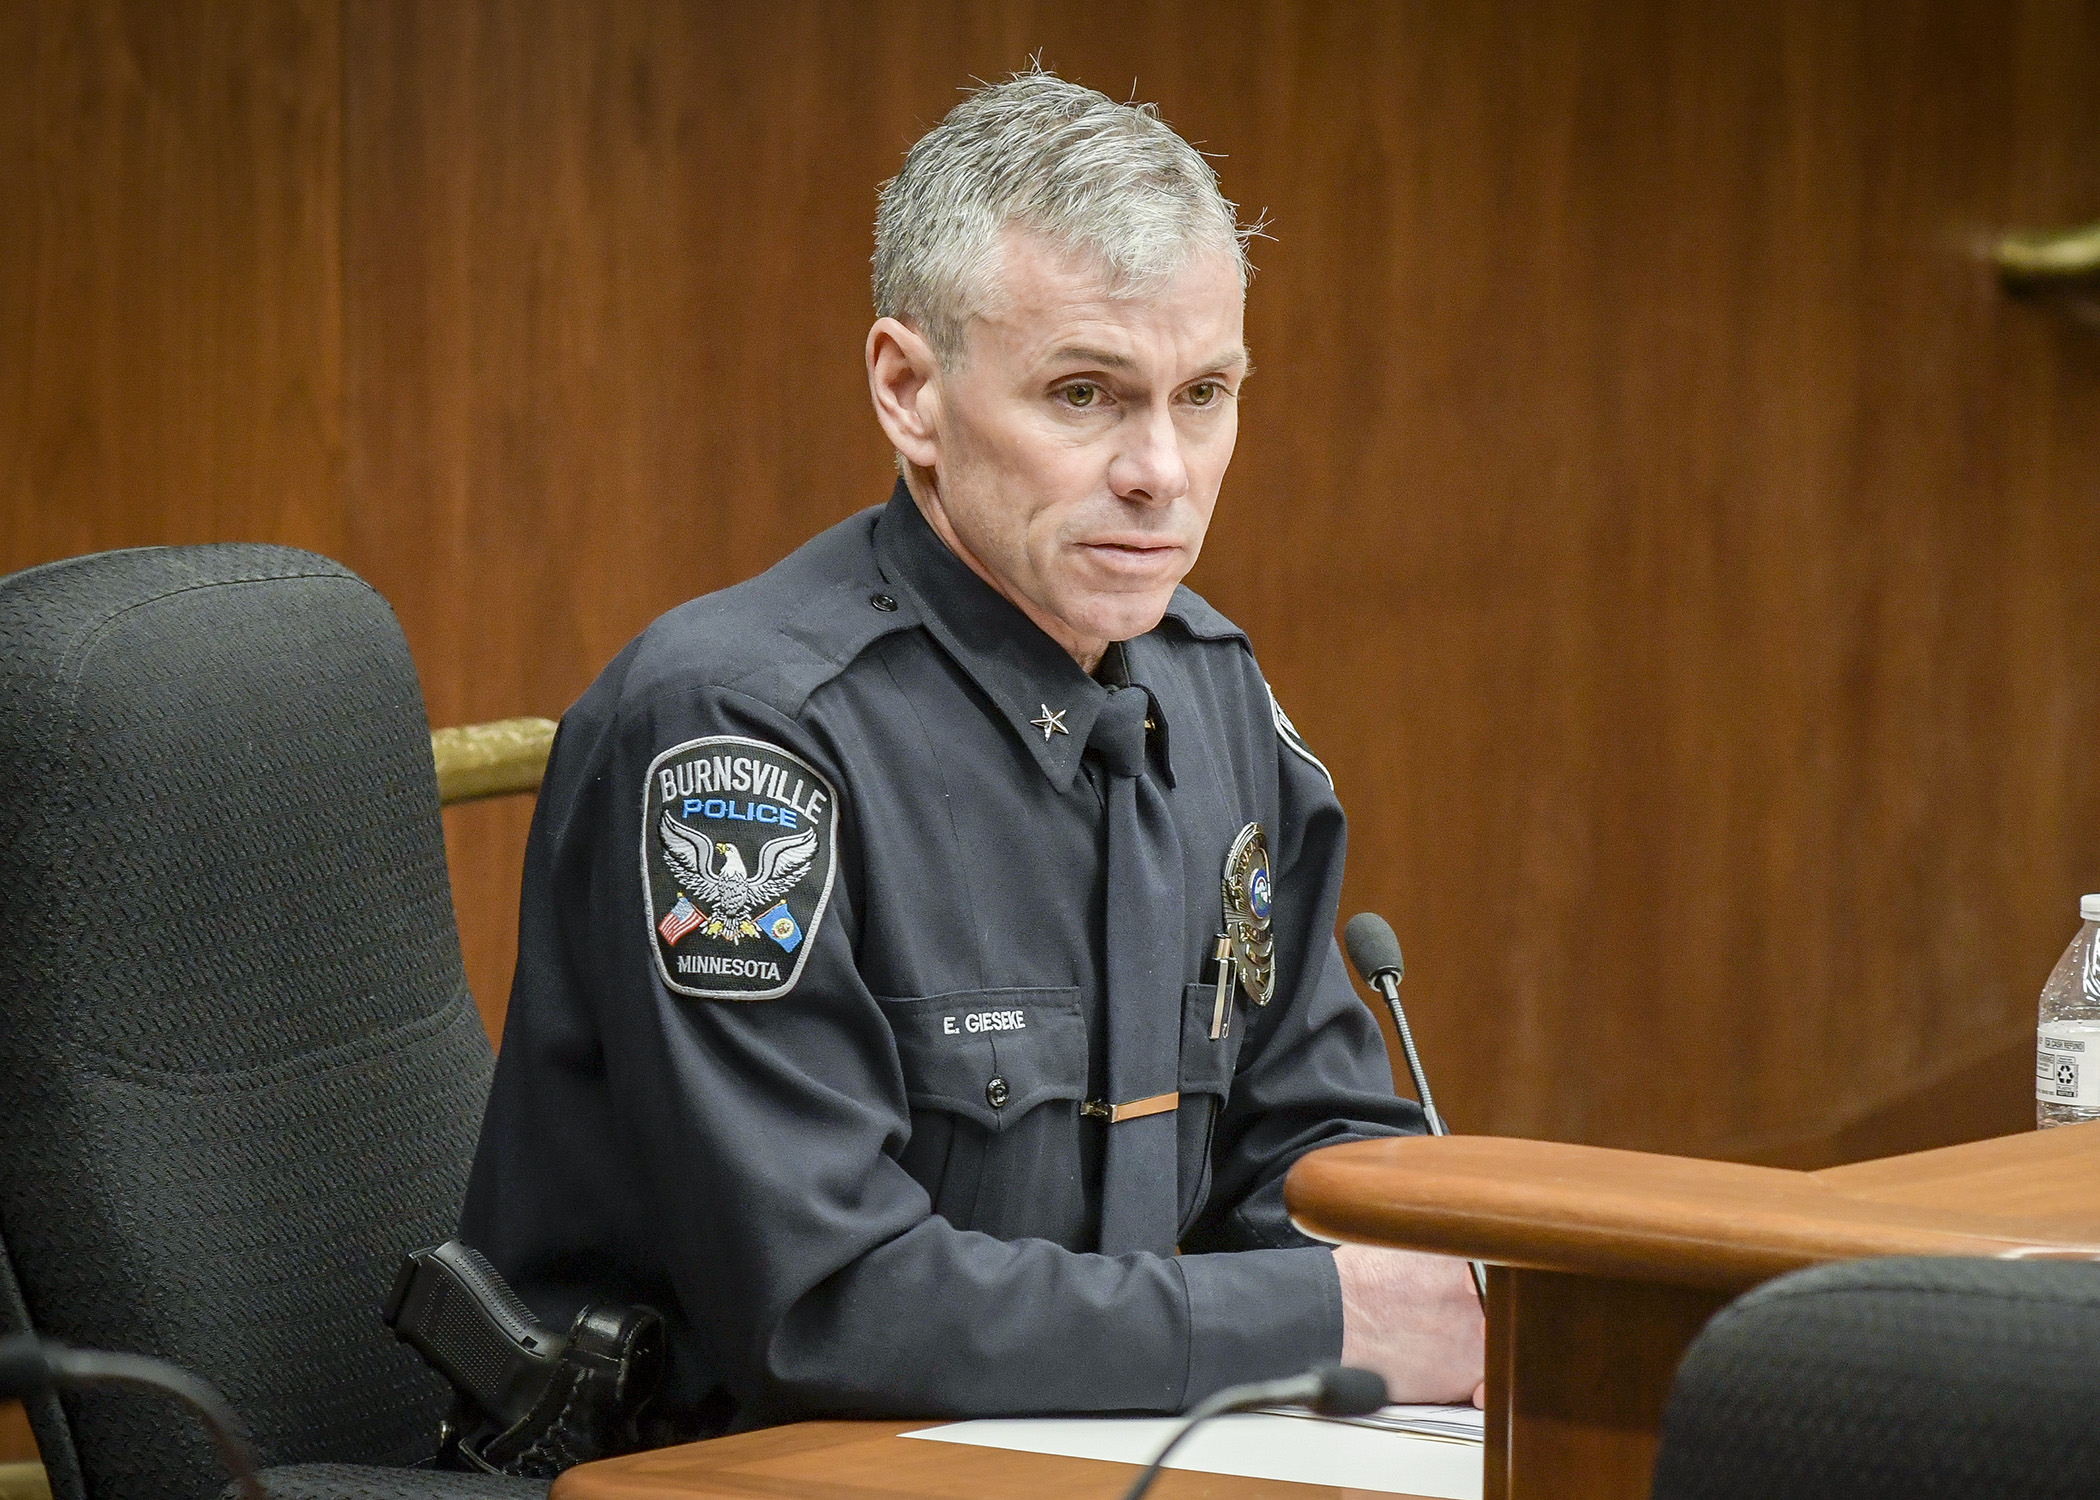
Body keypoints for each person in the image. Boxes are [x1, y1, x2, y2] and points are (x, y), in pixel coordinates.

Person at [461, 66, 1483, 1441]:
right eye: (1085, 394)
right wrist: (1335, 1321)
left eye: (1205, 394)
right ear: (909, 394)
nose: (1162, 473)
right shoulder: (741, 747)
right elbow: (827, 1310)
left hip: (1084, 1443)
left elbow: (1310, 1149)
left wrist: (1472, 1270)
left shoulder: (1211, 689)